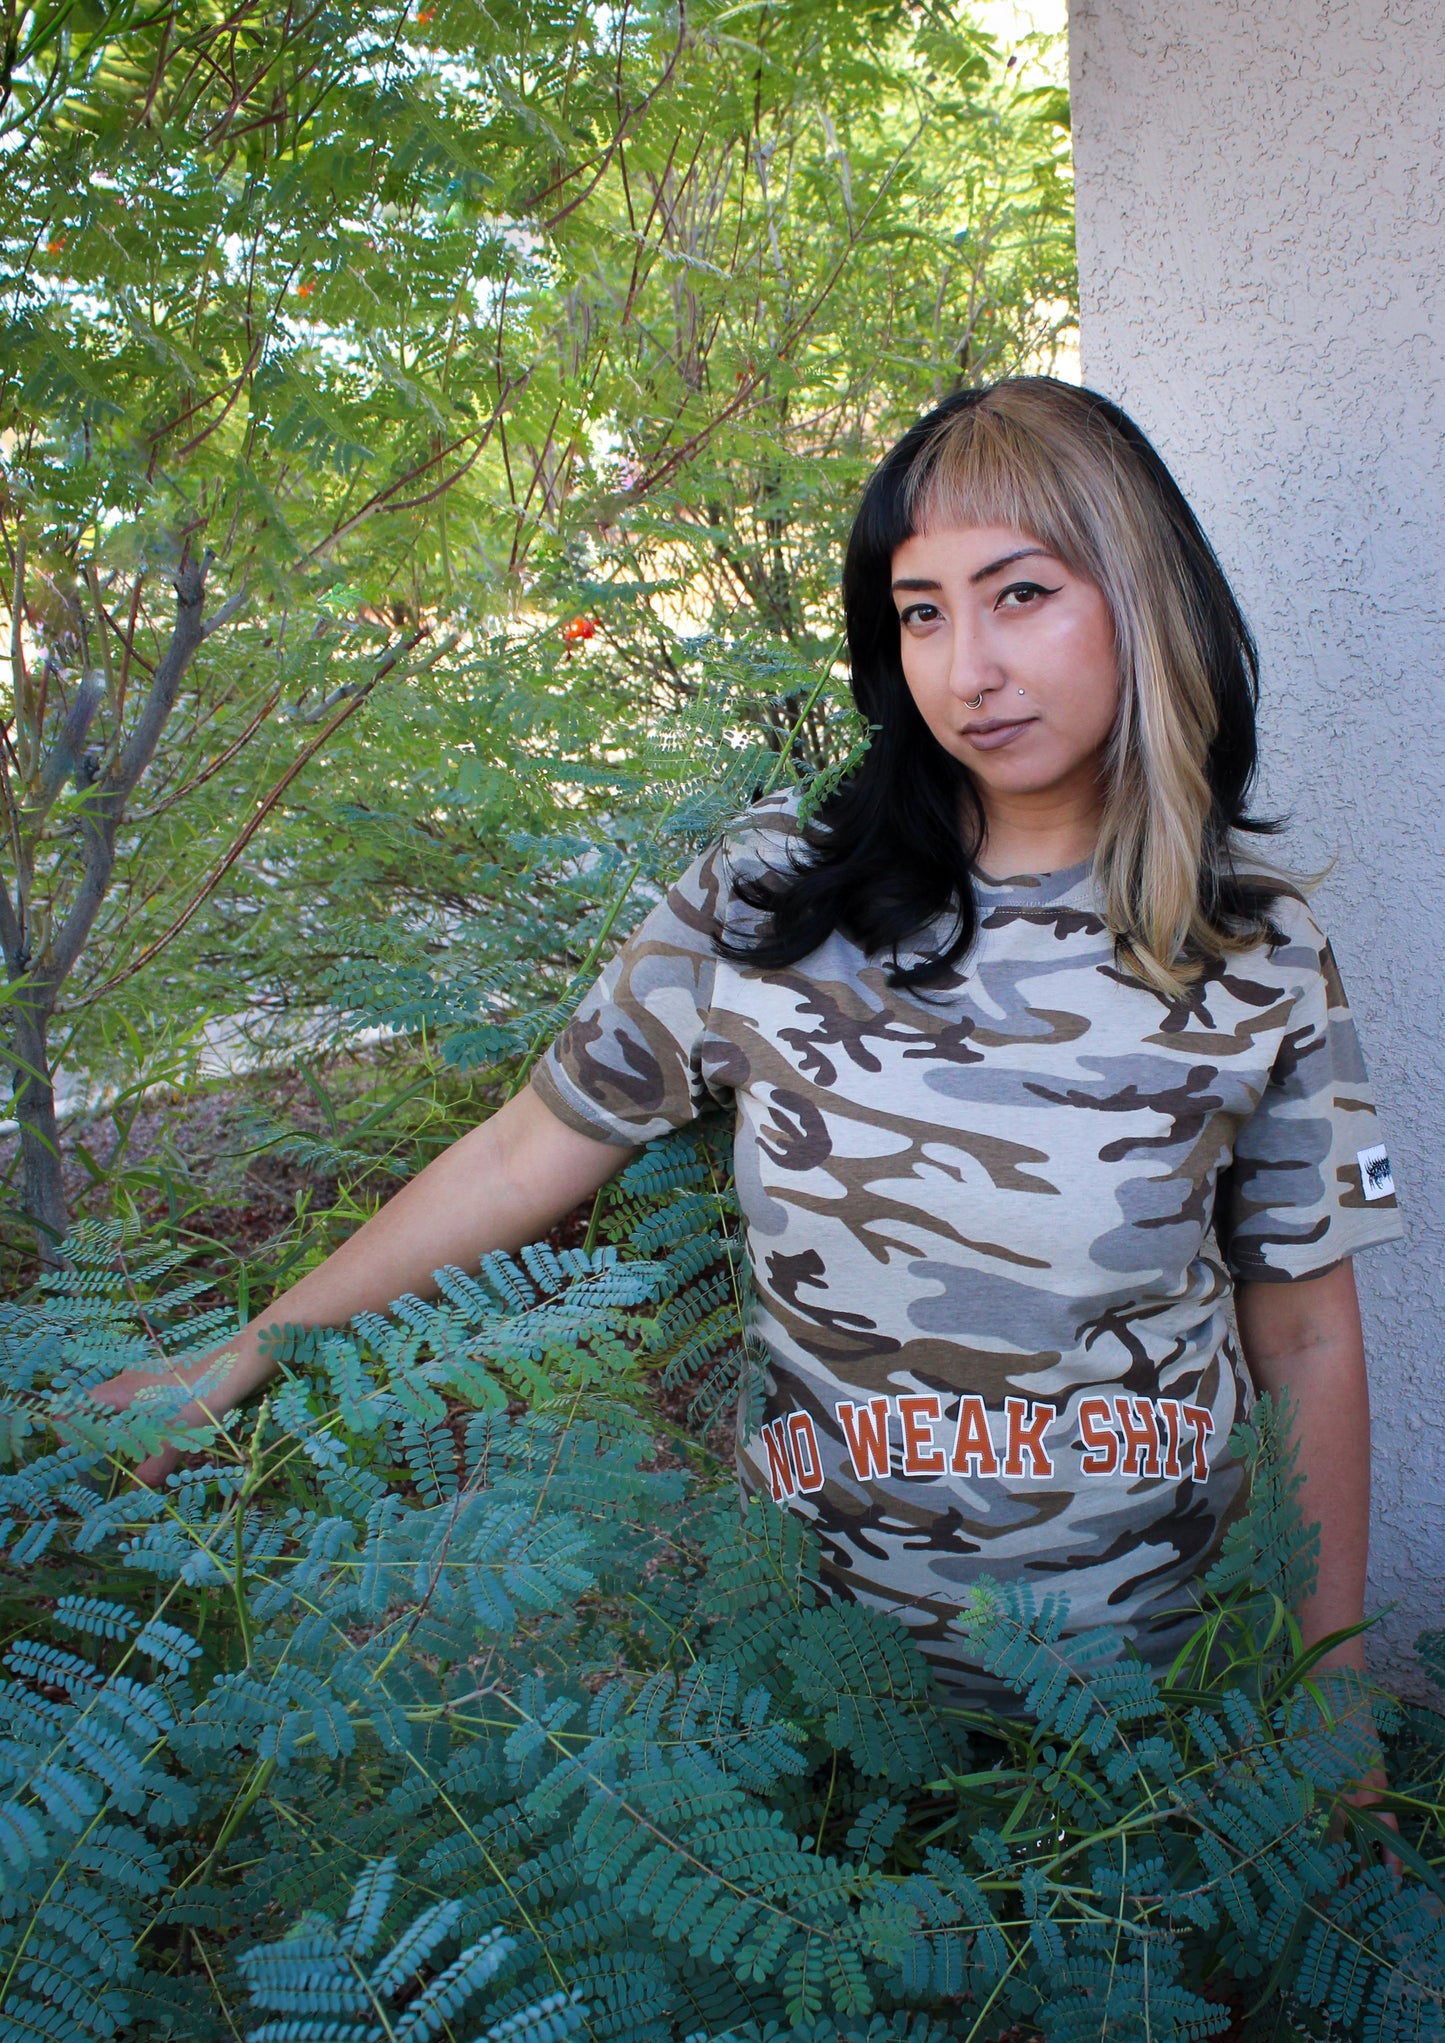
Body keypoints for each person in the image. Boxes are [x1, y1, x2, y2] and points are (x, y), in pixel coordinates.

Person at [96, 377, 1402, 1731]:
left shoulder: (1250, 951)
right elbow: (514, 1156)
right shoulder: (770, 906)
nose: (968, 669)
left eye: (1020, 594)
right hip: (809, 1721)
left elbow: (1305, 1334)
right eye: (920, 612)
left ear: (1144, 597)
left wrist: (1329, 1716)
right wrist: (231, 1365)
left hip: (1151, 1726)